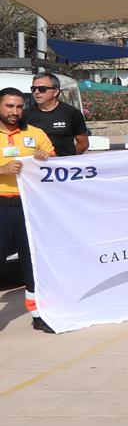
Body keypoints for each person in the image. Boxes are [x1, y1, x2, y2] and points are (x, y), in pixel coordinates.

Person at [0, 88, 55, 331]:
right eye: (9, 106)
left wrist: (46, 158)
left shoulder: (36, 133)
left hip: (29, 207)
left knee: (33, 261)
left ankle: (38, 313)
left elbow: (55, 167)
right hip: (1, 206)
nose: (15, 112)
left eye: (19, 107)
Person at [26, 72, 88, 157]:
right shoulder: (25, 115)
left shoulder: (72, 113)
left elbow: (83, 144)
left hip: (63, 167)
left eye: (42, 89)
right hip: (36, 167)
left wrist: (68, 159)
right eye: (33, 89)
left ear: (55, 92)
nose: (36, 92)